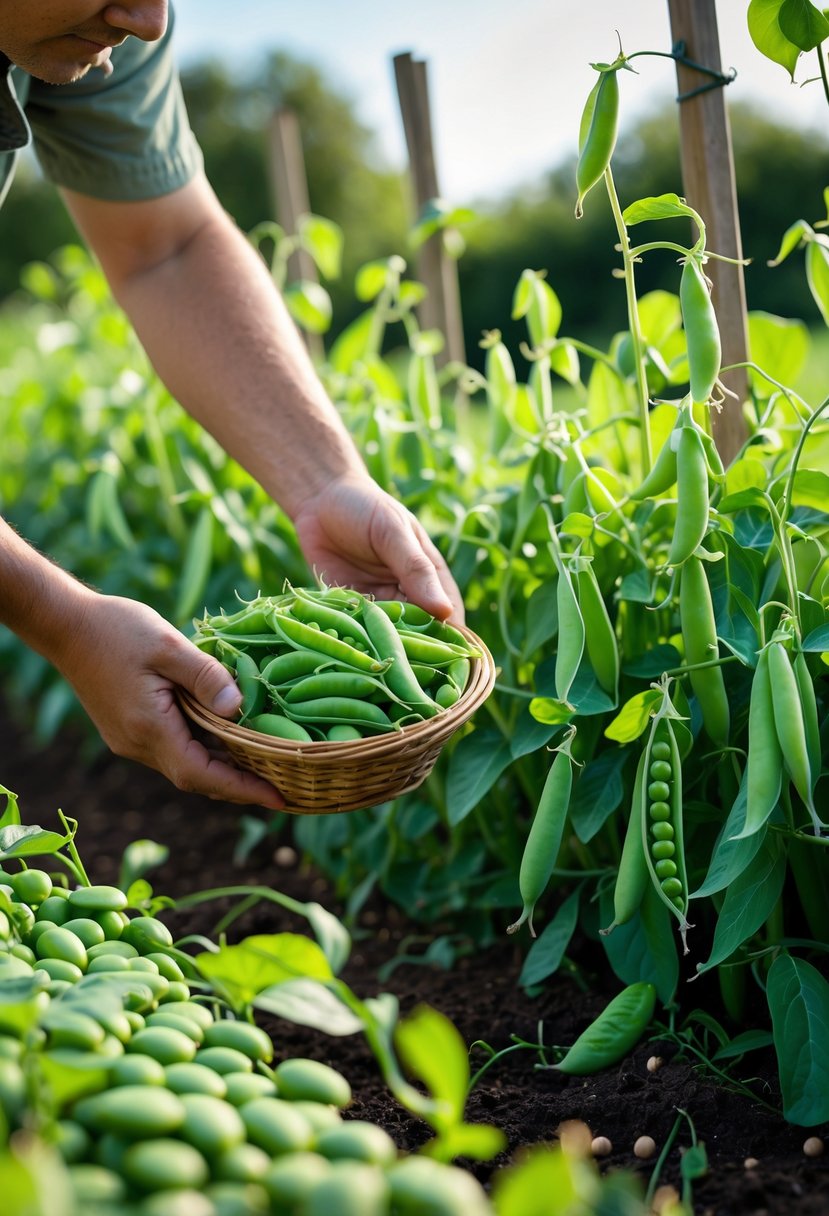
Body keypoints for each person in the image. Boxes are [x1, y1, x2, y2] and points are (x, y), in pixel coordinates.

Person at [0, 1, 463, 811]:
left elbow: (165, 244)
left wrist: (324, 482)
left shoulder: (95, 19)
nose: (147, 21)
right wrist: (63, 621)